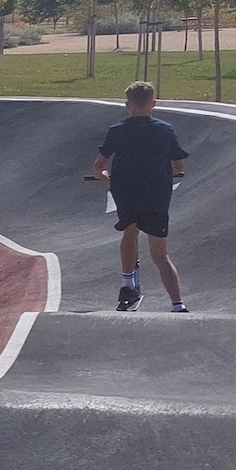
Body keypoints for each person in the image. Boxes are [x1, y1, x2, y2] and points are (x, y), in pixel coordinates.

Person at [90, 80, 188, 313]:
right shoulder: (165, 130)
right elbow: (178, 166)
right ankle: (177, 304)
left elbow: (99, 165)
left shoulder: (117, 130)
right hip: (156, 193)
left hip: (126, 191)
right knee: (160, 254)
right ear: (153, 104)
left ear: (128, 105)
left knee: (130, 231)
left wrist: (104, 176)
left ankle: (127, 284)